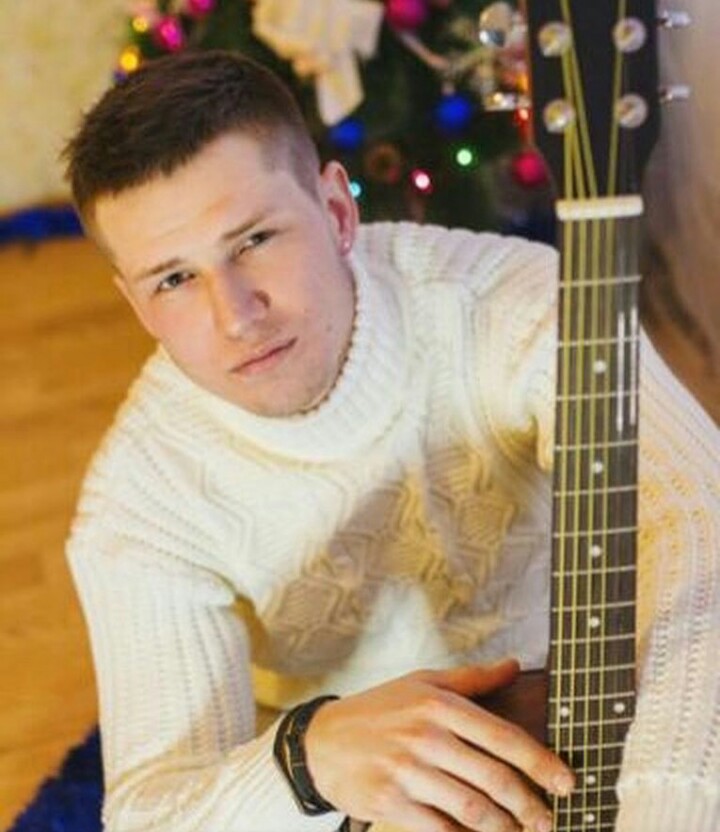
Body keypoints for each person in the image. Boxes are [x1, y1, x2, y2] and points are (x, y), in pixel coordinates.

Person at [62, 50, 720, 832]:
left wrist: (666, 802)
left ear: (337, 211)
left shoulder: (515, 303)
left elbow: (701, 529)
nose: (235, 316)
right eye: (174, 279)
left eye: (254, 240)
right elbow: (151, 814)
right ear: (136, 304)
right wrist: (304, 761)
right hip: (371, 785)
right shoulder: (138, 504)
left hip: (608, 687)